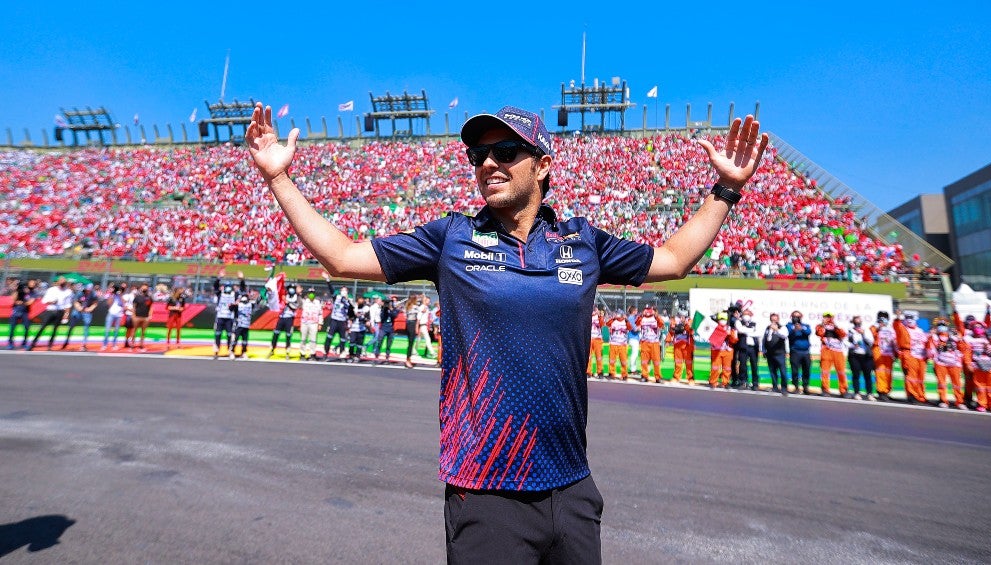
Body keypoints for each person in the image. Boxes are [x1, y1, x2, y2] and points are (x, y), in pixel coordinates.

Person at [245, 101, 767, 563]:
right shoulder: (450, 237)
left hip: (572, 487)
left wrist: (727, 189)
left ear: (541, 165)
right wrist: (278, 179)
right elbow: (340, 257)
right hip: (486, 489)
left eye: (505, 151)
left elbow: (674, 259)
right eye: (478, 156)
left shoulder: (583, 241)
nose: (488, 163)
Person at [927, 319, 965, 409]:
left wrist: (960, 339)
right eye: (940, 325)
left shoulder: (954, 337)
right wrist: (931, 335)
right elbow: (930, 350)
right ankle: (943, 400)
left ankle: (959, 402)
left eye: (944, 325)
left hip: (954, 364)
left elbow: (962, 349)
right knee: (942, 383)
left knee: (957, 384)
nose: (942, 327)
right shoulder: (934, 337)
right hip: (940, 363)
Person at [894, 310, 930, 404]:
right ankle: (912, 395)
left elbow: (926, 342)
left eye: (911, 318)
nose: (909, 321)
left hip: (921, 356)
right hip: (909, 355)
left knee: (920, 377)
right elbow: (896, 326)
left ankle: (920, 395)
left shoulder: (920, 330)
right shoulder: (903, 328)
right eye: (907, 318)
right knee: (911, 376)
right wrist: (898, 317)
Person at [963, 321, 991, 413]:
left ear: (984, 329)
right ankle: (982, 404)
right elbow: (967, 353)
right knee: (980, 387)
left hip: (990, 366)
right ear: (972, 329)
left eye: (980, 327)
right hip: (977, 366)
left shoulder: (989, 339)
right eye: (975, 327)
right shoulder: (969, 340)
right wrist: (968, 364)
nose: (977, 328)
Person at [30, 277, 73, 351]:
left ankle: (50, 345)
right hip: (50, 310)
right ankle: (33, 343)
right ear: (58, 282)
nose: (62, 285)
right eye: (61, 283)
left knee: (55, 329)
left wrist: (66, 315)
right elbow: (44, 301)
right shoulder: (51, 290)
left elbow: (68, 304)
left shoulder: (68, 291)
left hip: (60, 311)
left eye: (64, 283)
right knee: (42, 327)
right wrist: (52, 302)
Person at [212, 272, 245, 359]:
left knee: (230, 335)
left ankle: (230, 351)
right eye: (226, 287)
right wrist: (219, 277)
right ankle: (216, 351)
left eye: (229, 287)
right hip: (220, 317)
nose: (228, 289)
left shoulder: (234, 294)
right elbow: (215, 286)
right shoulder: (220, 294)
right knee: (218, 334)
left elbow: (242, 290)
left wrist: (241, 279)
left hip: (229, 318)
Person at [815, 312, 848, 397]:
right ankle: (825, 389)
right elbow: (819, 333)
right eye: (826, 317)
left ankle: (843, 390)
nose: (828, 318)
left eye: (829, 317)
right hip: (826, 350)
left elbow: (843, 334)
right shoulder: (820, 326)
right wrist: (823, 324)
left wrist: (835, 326)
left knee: (841, 371)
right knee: (825, 371)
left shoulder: (837, 326)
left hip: (838, 350)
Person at [321, 273, 352, 361]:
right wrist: (328, 280)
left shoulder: (349, 300)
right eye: (342, 290)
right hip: (334, 321)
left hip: (342, 322)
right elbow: (331, 290)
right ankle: (325, 354)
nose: (344, 292)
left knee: (343, 340)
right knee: (329, 338)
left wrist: (346, 300)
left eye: (345, 290)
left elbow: (350, 311)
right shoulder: (337, 297)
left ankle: (342, 355)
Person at [62, 283, 99, 351]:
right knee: (71, 325)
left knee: (86, 327)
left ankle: (83, 345)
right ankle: (66, 341)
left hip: (87, 311)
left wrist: (90, 308)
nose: (87, 291)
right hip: (78, 310)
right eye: (87, 289)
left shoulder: (93, 294)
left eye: (89, 290)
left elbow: (95, 303)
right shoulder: (80, 293)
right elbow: (75, 302)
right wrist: (79, 308)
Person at [870, 311, 898, 401]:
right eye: (881, 317)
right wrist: (878, 328)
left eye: (885, 317)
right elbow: (871, 338)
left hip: (889, 354)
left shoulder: (891, 329)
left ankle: (886, 391)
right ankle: (881, 391)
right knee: (880, 372)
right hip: (879, 353)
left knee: (888, 373)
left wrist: (896, 353)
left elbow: (895, 341)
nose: (883, 319)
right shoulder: (874, 327)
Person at [845, 315, 875, 400]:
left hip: (866, 356)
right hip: (855, 355)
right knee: (856, 374)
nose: (858, 323)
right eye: (856, 321)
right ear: (853, 322)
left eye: (859, 321)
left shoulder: (866, 330)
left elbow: (871, 341)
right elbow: (845, 341)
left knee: (868, 375)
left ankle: (869, 393)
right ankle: (856, 392)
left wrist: (863, 333)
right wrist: (852, 345)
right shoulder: (850, 330)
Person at [708, 312, 739, 389]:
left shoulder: (730, 329)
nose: (722, 321)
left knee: (727, 368)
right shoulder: (714, 328)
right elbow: (710, 338)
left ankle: (725, 382)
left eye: (724, 319)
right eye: (721, 319)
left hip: (727, 350)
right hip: (716, 350)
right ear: (718, 320)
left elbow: (734, 340)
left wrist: (730, 335)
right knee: (715, 367)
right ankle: (713, 382)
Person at [270, 285, 301, 359]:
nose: (291, 290)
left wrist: (287, 302)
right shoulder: (284, 296)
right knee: (276, 334)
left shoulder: (297, 298)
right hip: (281, 317)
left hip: (289, 318)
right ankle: (272, 349)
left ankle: (287, 351)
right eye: (290, 288)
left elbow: (295, 307)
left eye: (293, 289)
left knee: (288, 335)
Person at [734, 307, 761, 390]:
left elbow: (758, 333)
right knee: (742, 366)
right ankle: (743, 382)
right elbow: (740, 329)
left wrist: (748, 332)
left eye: (748, 314)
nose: (746, 315)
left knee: (754, 366)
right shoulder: (738, 322)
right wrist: (751, 330)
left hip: (753, 348)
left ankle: (755, 384)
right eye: (745, 314)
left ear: (751, 315)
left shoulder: (755, 323)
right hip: (743, 347)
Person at [636, 305, 665, 383]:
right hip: (644, 342)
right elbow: (636, 323)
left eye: (651, 310)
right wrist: (641, 315)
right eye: (647, 309)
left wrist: (657, 316)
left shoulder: (656, 318)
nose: (648, 311)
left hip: (654, 342)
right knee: (644, 361)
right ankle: (644, 376)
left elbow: (662, 325)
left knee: (656, 361)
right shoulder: (643, 318)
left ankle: (658, 377)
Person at [762, 313, 789, 394]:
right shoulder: (767, 327)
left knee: (783, 371)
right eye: (772, 319)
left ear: (778, 319)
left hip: (780, 353)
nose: (774, 320)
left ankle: (784, 388)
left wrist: (776, 330)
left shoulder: (782, 327)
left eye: (775, 319)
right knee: (772, 371)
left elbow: (784, 335)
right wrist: (763, 350)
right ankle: (775, 387)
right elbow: (765, 339)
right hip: (770, 353)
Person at [7, 278, 37, 350]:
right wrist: (17, 290)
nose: (33, 284)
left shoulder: (33, 293)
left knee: (27, 327)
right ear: (28, 283)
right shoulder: (19, 290)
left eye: (34, 284)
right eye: (32, 283)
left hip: (25, 312)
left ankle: (24, 343)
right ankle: (10, 343)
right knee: (12, 328)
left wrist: (22, 302)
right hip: (16, 310)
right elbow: (13, 299)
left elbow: (30, 302)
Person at [786, 310, 812, 394]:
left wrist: (801, 329)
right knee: (795, 370)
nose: (796, 318)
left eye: (798, 316)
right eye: (794, 316)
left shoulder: (805, 325)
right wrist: (794, 330)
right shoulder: (789, 325)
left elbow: (808, 332)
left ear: (801, 317)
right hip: (795, 351)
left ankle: (805, 386)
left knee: (806, 369)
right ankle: (796, 386)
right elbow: (788, 334)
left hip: (805, 352)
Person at [668, 313, 695, 385]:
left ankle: (690, 378)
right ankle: (676, 377)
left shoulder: (690, 320)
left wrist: (685, 324)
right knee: (678, 362)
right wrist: (668, 340)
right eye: (680, 315)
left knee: (689, 362)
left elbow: (691, 330)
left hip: (687, 345)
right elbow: (671, 330)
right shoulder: (675, 320)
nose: (682, 317)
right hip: (677, 344)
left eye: (683, 315)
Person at [606, 310, 631, 380]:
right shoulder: (613, 321)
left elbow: (630, 328)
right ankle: (611, 373)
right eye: (617, 314)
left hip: (622, 344)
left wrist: (626, 320)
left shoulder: (625, 322)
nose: (618, 315)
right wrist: (613, 318)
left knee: (623, 361)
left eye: (619, 314)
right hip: (613, 343)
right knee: (612, 360)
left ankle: (624, 374)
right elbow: (607, 324)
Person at [299, 287, 323, 360]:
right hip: (305, 323)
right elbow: (298, 302)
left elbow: (320, 313)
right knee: (303, 339)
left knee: (313, 339)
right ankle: (302, 353)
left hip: (314, 323)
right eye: (310, 293)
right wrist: (298, 293)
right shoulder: (304, 301)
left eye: (313, 293)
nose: (311, 294)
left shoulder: (318, 302)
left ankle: (312, 353)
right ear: (308, 294)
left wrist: (320, 323)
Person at [232, 292, 257, 359]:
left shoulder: (250, 305)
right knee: (235, 340)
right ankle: (232, 351)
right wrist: (236, 302)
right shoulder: (238, 305)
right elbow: (231, 308)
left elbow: (256, 302)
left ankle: (244, 352)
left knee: (245, 341)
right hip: (238, 325)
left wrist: (252, 297)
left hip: (246, 325)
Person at [102, 283, 127, 350]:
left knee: (116, 330)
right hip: (111, 313)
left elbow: (124, 304)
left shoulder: (122, 296)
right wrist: (112, 293)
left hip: (118, 315)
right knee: (107, 329)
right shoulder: (112, 295)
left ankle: (114, 344)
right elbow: (108, 303)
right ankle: (105, 344)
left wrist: (120, 294)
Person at [347, 295, 369, 362]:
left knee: (360, 343)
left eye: (362, 301)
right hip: (353, 328)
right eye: (360, 301)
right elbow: (350, 318)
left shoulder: (366, 308)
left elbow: (367, 318)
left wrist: (366, 320)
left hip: (361, 328)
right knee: (352, 342)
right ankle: (351, 355)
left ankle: (357, 356)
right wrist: (349, 328)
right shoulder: (354, 308)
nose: (361, 302)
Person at [132, 284, 154, 351]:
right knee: (134, 331)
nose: (144, 289)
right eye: (143, 287)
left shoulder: (149, 297)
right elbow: (134, 307)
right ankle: (133, 343)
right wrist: (133, 315)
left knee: (143, 332)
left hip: (145, 317)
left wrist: (150, 316)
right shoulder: (137, 297)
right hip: (137, 316)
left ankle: (141, 344)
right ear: (141, 288)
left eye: (146, 288)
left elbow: (151, 307)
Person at [588, 306, 606, 379]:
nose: (594, 310)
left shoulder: (599, 317)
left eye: (595, 309)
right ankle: (588, 372)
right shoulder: (587, 316)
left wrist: (600, 316)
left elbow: (602, 325)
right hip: (589, 338)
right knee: (588, 357)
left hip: (597, 338)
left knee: (599, 356)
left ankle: (600, 371)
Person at [403, 294, 421, 368]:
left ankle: (408, 359)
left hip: (408, 324)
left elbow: (405, 316)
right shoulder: (416, 307)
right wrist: (417, 328)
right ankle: (408, 360)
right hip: (412, 324)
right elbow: (418, 319)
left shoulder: (407, 306)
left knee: (410, 343)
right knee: (411, 343)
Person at [417, 295, 437, 360]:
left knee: (419, 339)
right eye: (428, 301)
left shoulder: (426, 307)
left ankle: (414, 350)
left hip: (424, 325)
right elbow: (419, 318)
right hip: (422, 325)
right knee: (427, 339)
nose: (429, 302)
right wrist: (417, 326)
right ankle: (432, 352)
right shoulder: (422, 307)